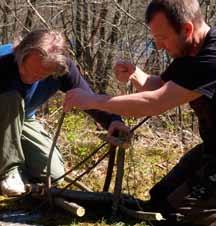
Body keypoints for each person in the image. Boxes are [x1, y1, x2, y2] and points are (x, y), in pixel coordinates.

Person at [63, 0, 216, 225]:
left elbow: (153, 103)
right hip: (213, 151)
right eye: (155, 39)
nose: (159, 46)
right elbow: (159, 85)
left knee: (179, 217)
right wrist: (134, 74)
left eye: (163, 38)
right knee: (160, 200)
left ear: (187, 29)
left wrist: (94, 100)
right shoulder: (192, 52)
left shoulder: (215, 57)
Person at [0, 29, 128, 197]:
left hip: (22, 119)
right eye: (28, 70)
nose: (32, 77)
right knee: (10, 97)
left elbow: (89, 99)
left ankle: (16, 174)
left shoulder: (63, 69)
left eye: (41, 74)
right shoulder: (3, 61)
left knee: (53, 174)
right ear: (19, 52)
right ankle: (8, 171)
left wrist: (113, 120)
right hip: (4, 112)